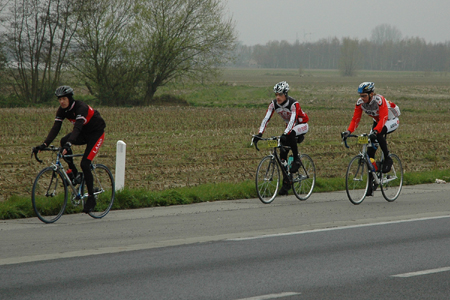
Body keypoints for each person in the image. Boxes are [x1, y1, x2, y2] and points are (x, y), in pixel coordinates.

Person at [33, 86, 106, 213]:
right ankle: (74, 173)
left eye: (64, 99)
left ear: (70, 99)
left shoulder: (81, 107)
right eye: (59, 99)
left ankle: (91, 198)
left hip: (96, 133)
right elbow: (56, 128)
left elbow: (77, 128)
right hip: (83, 133)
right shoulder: (62, 110)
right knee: (63, 141)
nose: (62, 102)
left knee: (85, 163)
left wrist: (69, 144)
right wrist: (44, 144)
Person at [342, 81, 400, 196]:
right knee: (369, 152)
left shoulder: (379, 100)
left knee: (378, 134)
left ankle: (388, 158)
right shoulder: (360, 103)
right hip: (378, 121)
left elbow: (384, 117)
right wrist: (348, 131)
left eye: (364, 96)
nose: (362, 98)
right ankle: (371, 183)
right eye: (361, 96)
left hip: (391, 119)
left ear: (371, 94)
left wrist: (375, 132)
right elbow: (355, 119)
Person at [252, 81, 309, 196]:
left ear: (286, 94)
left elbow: (293, 120)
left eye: (280, 95)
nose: (277, 97)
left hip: (301, 125)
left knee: (291, 133)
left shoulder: (293, 104)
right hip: (289, 126)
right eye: (276, 95)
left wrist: (285, 133)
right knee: (282, 153)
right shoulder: (273, 104)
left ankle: (297, 159)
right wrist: (259, 134)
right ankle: (286, 182)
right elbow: (266, 119)